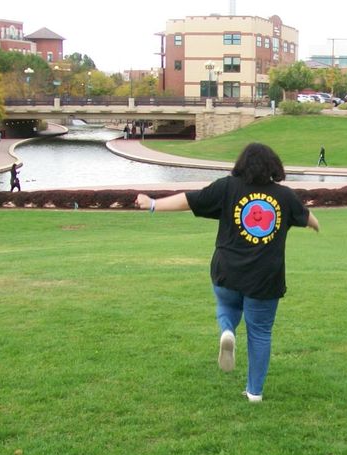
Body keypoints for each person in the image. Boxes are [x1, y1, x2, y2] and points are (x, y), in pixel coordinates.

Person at [136, 143, 320, 402]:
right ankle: (254, 392)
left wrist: (153, 203)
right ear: (274, 166)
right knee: (260, 333)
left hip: (227, 271)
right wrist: (316, 225)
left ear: (241, 164)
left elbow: (189, 199)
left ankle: (227, 331)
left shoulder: (226, 188)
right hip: (265, 279)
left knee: (227, 305)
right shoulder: (285, 196)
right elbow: (308, 218)